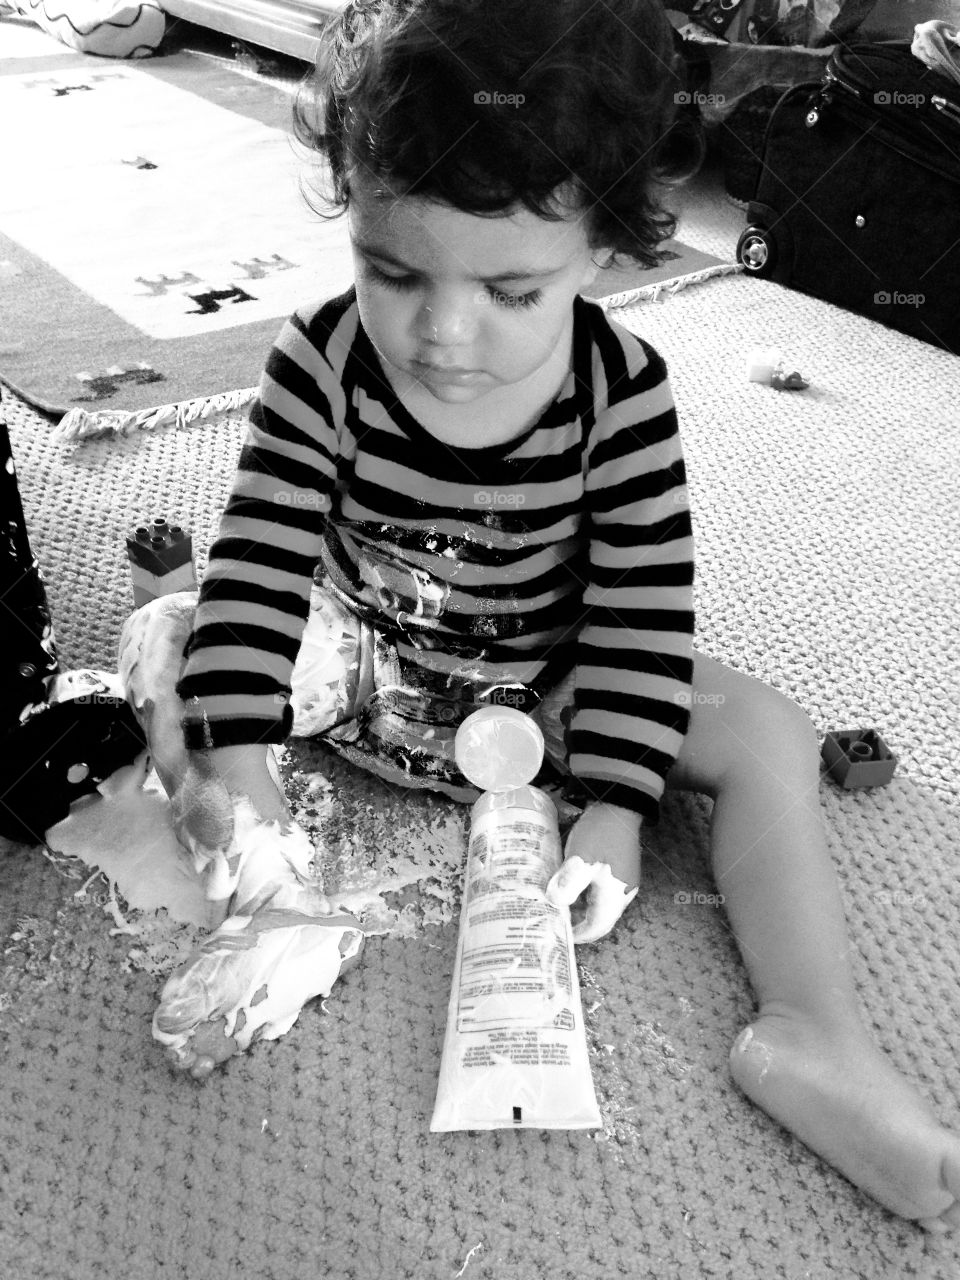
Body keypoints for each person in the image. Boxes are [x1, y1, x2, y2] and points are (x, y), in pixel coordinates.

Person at [121, 0, 960, 1230]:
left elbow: (639, 607)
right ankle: (252, 843)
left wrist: (617, 804)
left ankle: (811, 1032)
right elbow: (258, 565)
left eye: (512, 289)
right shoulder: (318, 362)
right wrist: (242, 778)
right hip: (364, 666)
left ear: (611, 253)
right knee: (172, 637)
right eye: (394, 269)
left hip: (541, 690)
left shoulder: (623, 396)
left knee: (765, 728)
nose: (443, 333)